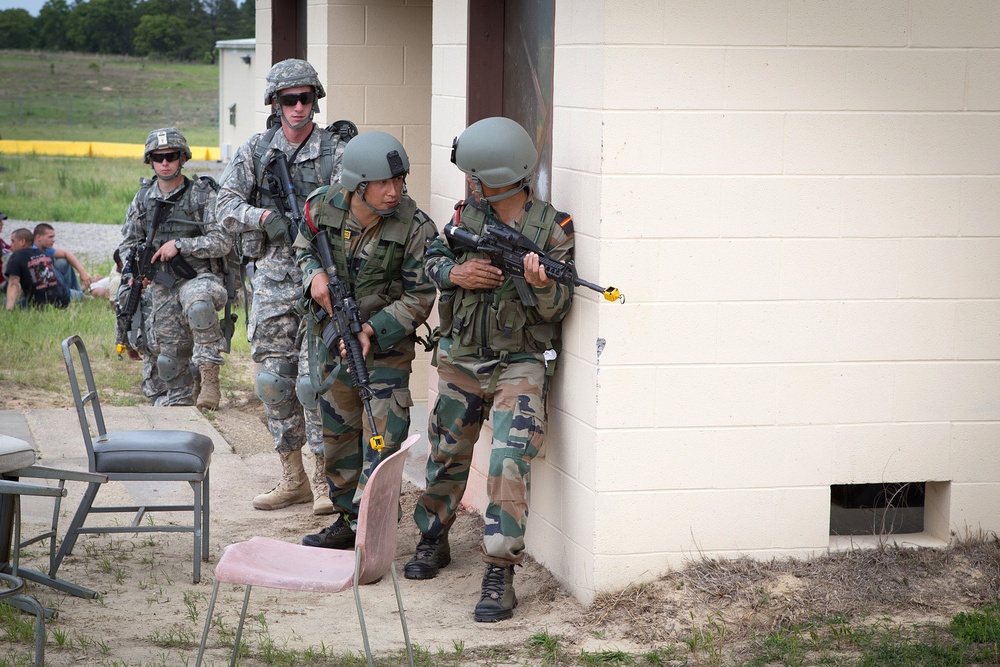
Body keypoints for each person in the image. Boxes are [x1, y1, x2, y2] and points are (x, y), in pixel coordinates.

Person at [403, 117, 576, 623]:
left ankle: (500, 570)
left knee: (507, 462)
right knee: (447, 452)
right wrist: (457, 273)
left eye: (474, 174)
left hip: (519, 362)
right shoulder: (467, 214)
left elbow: (558, 309)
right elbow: (432, 258)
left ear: (498, 174)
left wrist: (541, 284)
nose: (469, 182)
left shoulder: (552, 230)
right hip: (461, 358)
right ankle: (433, 537)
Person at [217, 58, 353, 515]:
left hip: (318, 275)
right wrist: (263, 218)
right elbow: (224, 205)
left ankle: (321, 479)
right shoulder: (257, 151)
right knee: (275, 383)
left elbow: (346, 207)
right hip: (273, 279)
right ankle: (291, 476)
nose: (298, 107)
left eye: (305, 98)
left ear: (315, 99)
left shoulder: (335, 151)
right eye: (288, 99)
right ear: (274, 103)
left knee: (313, 384)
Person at [294, 131, 437, 549]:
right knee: (337, 434)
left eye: (400, 181)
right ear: (357, 185)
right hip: (332, 340)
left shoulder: (414, 227)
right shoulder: (324, 205)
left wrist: (372, 330)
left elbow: (420, 296)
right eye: (384, 184)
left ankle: (372, 531)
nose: (395, 191)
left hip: (384, 351)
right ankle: (346, 518)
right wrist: (313, 276)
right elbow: (304, 247)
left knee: (381, 440)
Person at [119, 127, 232, 410]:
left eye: (170, 156)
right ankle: (182, 392)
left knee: (199, 305)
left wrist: (181, 245)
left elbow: (223, 241)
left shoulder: (202, 196)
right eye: (158, 157)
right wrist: (134, 274)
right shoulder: (142, 200)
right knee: (168, 358)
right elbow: (128, 244)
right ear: (151, 161)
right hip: (158, 282)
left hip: (197, 275)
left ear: (182, 158)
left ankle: (209, 380)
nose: (165, 162)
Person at [4, 227, 70, 310]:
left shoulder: (16, 258)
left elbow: (13, 284)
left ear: (22, 242)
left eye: (13, 241)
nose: (10, 244)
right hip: (62, 301)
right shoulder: (44, 254)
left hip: (39, 305)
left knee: (4, 302)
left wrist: (9, 310)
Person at [33, 223, 91, 297]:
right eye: (50, 237)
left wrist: (82, 272)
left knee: (63, 262)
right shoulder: (33, 252)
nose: (53, 240)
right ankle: (78, 295)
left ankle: (76, 291)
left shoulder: (44, 249)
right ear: (38, 237)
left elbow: (65, 253)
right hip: (44, 289)